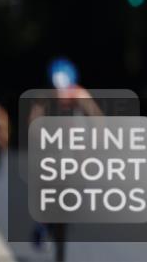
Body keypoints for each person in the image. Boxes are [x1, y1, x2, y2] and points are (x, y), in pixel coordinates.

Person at [28, 58, 103, 262]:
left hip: (76, 148)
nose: (61, 96)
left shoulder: (79, 94)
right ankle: (42, 224)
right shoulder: (45, 98)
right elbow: (34, 122)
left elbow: (97, 119)